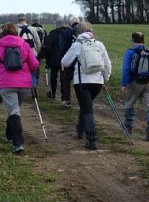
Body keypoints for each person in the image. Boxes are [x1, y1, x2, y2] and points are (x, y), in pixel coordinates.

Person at [0, 22, 40, 153]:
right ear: (16, 32)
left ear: (3, 33)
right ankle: (9, 135)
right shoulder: (25, 45)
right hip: (24, 85)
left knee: (13, 111)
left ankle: (18, 142)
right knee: (13, 110)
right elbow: (34, 64)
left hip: (6, 83)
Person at [60, 22, 112, 150]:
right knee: (86, 106)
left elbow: (65, 62)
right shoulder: (99, 44)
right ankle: (80, 128)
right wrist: (105, 78)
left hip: (82, 82)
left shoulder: (77, 44)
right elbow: (107, 64)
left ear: (78, 32)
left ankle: (91, 138)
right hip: (98, 82)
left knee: (87, 109)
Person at [120, 31, 149, 141]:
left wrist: (124, 84)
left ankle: (128, 127)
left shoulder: (130, 52)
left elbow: (126, 69)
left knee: (130, 104)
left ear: (132, 40)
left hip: (135, 83)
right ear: (143, 40)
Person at [42, 19, 69, 99]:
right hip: (66, 58)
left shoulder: (52, 34)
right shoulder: (68, 33)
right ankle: (64, 96)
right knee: (64, 78)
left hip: (54, 59)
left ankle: (52, 94)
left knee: (53, 77)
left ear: (55, 25)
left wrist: (47, 59)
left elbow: (48, 48)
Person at [16, 13, 42, 93]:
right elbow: (38, 42)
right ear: (25, 19)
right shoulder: (32, 29)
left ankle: (22, 88)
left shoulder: (16, 29)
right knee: (33, 72)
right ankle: (33, 85)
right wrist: (36, 52)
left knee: (21, 72)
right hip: (32, 54)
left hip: (21, 55)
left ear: (18, 19)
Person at [58, 16, 80, 107]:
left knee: (66, 79)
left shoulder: (67, 32)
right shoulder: (83, 31)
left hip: (70, 59)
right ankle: (81, 100)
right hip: (81, 60)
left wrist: (63, 58)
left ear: (70, 23)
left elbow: (62, 47)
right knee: (79, 80)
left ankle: (66, 99)